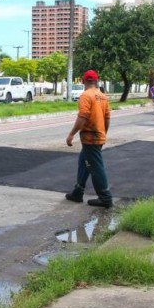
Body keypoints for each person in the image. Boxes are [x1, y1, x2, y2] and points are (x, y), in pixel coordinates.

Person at [64, 70, 114, 208]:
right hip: (99, 135)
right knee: (83, 162)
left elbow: (83, 116)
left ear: (83, 81)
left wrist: (71, 134)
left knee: (96, 167)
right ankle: (78, 192)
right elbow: (107, 118)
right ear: (96, 81)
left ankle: (105, 197)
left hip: (90, 136)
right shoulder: (103, 96)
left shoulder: (86, 96)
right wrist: (103, 133)